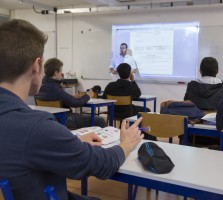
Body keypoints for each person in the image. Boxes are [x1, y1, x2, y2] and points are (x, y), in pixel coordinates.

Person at [0, 19, 144, 200]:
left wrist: (70, 140)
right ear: (36, 65)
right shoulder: (36, 128)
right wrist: (126, 145)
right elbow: (101, 165)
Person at [36, 58, 106, 129]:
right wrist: (88, 96)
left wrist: (70, 96)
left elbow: (55, 98)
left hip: (48, 119)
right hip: (65, 119)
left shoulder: (40, 85)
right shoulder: (56, 88)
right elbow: (75, 103)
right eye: (60, 71)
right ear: (56, 73)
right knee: (100, 120)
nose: (61, 74)